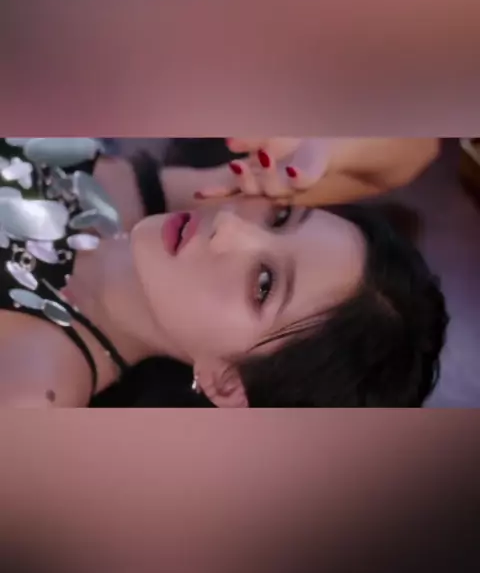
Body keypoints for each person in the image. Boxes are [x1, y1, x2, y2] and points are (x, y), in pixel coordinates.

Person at [0, 137, 447, 408]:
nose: (231, 227)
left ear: (227, 382)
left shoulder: (31, 384)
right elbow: (415, 151)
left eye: (264, 285)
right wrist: (322, 149)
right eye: (282, 218)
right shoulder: (196, 197)